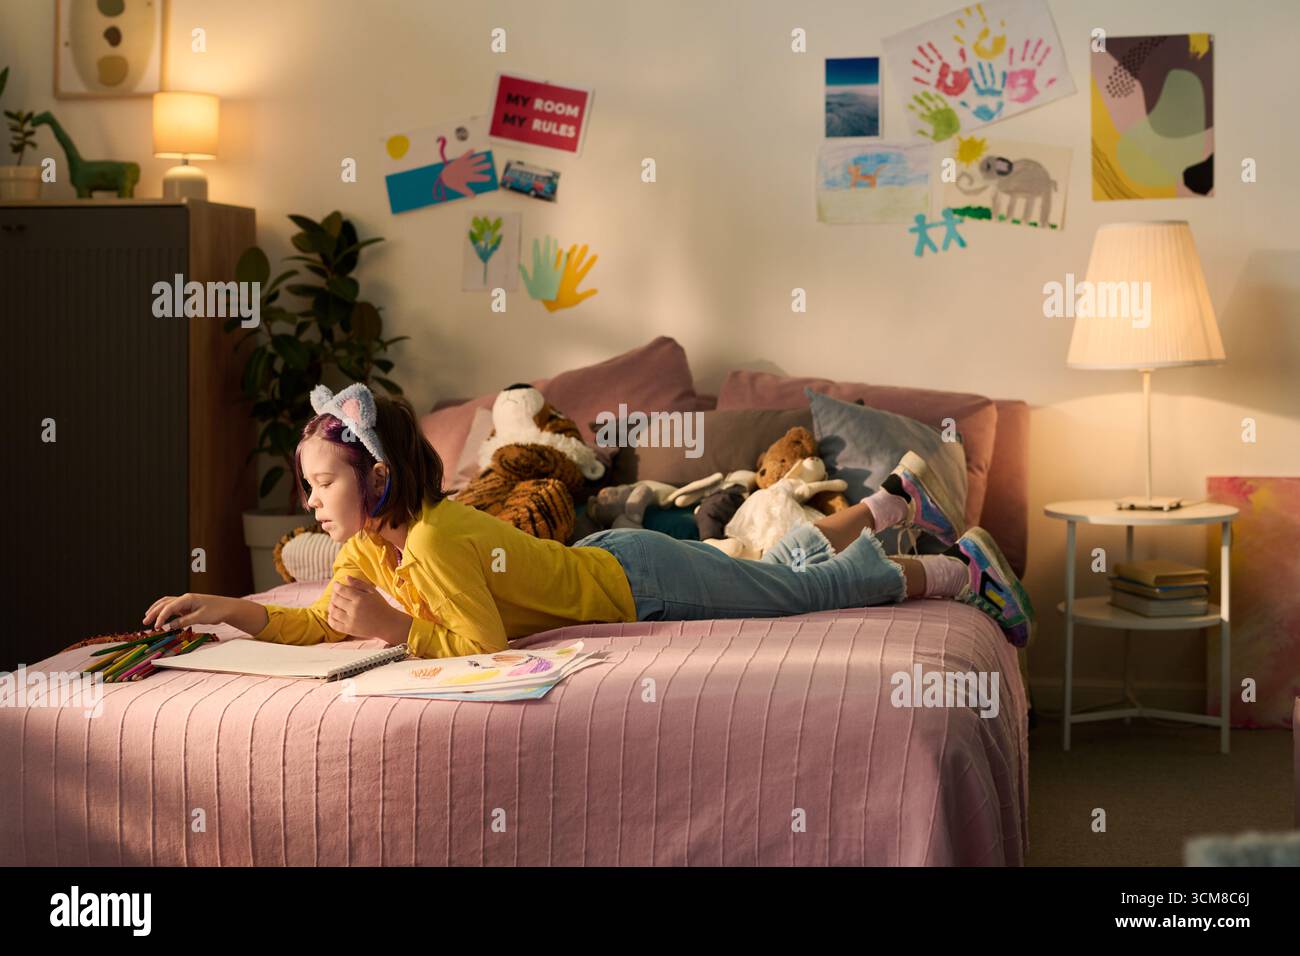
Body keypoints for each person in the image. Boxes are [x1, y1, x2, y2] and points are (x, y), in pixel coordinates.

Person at [143, 383, 1035, 657]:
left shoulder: (432, 539)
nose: (308, 505)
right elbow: (308, 619)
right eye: (304, 489)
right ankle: (891, 505)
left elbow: (482, 648)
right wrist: (231, 607)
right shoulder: (371, 547)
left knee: (800, 598)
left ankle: (958, 573)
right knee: (778, 576)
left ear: (374, 481)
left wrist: (394, 631)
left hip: (637, 581)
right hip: (614, 566)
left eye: (320, 487)